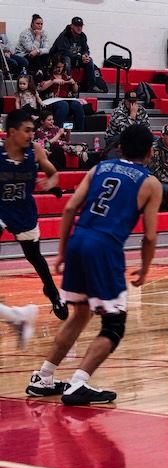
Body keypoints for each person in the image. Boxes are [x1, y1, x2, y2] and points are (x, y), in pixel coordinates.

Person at [25, 124, 162, 405]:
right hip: (105, 247)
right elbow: (149, 236)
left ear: (120, 147)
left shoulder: (99, 169)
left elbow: (69, 208)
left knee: (81, 314)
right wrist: (146, 268)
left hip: (79, 239)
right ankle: (79, 383)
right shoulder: (150, 183)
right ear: (150, 152)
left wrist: (62, 252)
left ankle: (44, 377)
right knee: (114, 326)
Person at [0, 110, 67, 320]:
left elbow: (53, 173)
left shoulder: (35, 149)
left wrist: (51, 184)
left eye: (32, 130)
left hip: (24, 210)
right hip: (2, 209)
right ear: (12, 132)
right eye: (27, 130)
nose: (31, 134)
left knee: (35, 257)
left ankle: (52, 292)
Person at [50, 17, 102, 93]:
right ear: (72, 26)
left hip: (74, 58)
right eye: (77, 26)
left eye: (81, 26)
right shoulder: (65, 35)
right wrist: (79, 57)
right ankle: (69, 85)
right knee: (67, 59)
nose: (79, 28)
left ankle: (91, 86)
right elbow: (63, 52)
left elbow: (86, 49)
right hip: (59, 59)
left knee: (89, 60)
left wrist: (85, 55)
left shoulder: (82, 36)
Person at [37, 56, 85, 130]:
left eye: (61, 67)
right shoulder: (46, 74)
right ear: (52, 65)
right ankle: (56, 130)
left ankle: (80, 130)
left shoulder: (66, 75)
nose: (60, 69)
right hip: (50, 101)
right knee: (63, 105)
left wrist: (74, 83)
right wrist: (52, 81)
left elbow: (75, 90)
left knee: (77, 105)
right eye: (57, 67)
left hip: (66, 98)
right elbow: (39, 88)